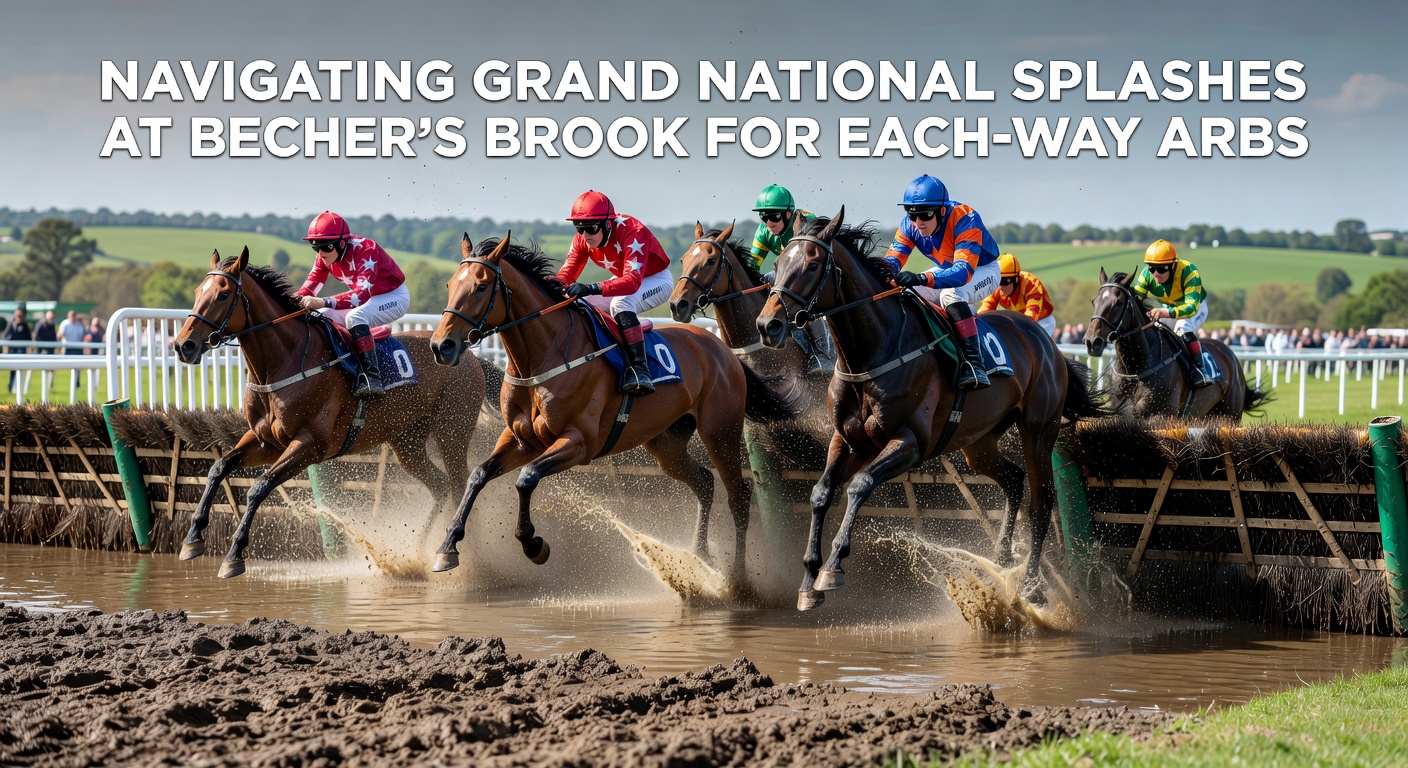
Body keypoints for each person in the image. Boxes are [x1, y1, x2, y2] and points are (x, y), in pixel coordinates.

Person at [884, 174, 1001, 390]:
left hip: (983, 269)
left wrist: (921, 277)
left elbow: (962, 273)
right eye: (912, 215)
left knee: (951, 294)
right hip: (948, 268)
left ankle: (974, 365)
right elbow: (893, 260)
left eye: (925, 215)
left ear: (943, 211)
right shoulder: (909, 226)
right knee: (906, 292)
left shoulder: (966, 218)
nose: (918, 222)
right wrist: (881, 272)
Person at [557, 190, 671, 396]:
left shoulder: (633, 231)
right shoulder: (583, 238)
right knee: (583, 303)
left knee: (621, 304)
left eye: (590, 229)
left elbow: (633, 281)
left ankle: (639, 370)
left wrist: (591, 287)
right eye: (579, 229)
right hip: (625, 279)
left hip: (655, 279)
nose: (585, 236)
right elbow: (567, 273)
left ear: (607, 224)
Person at [295, 211, 408, 397]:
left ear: (341, 243)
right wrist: (289, 301)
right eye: (315, 248)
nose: (321, 253)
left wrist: (322, 301)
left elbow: (361, 296)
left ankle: (372, 378)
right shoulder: (324, 257)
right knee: (323, 315)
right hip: (368, 298)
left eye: (325, 247)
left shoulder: (366, 250)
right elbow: (310, 287)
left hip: (393, 297)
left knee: (355, 317)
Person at [748, 184, 834, 375]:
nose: (768, 222)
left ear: (789, 214)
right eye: (763, 216)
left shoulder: (805, 221)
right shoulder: (763, 232)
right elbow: (751, 266)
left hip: (818, 276)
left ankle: (825, 356)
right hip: (790, 276)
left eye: (774, 216)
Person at [1131, 239, 1214, 387]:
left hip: (1196, 307)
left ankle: (1200, 369)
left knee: (1182, 329)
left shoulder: (1189, 272)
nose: (1156, 274)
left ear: (1173, 265)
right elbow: (1135, 299)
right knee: (1154, 329)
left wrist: (1165, 312)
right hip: (1169, 308)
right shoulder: (1146, 275)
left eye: (1161, 269)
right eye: (1152, 268)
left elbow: (1191, 308)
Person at [978, 254, 1056, 337]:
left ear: (1016, 279)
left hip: (1042, 321)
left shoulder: (1032, 284)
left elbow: (1030, 319)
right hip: (1016, 320)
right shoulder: (996, 289)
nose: (1000, 288)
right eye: (997, 282)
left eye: (1004, 282)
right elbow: (983, 312)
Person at [2, 307, 32, 393]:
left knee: (21, 369)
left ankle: (19, 388)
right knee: (13, 370)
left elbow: (28, 338)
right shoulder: (11, 324)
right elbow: (5, 335)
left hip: (22, 351)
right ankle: (11, 387)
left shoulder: (25, 325)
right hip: (12, 351)